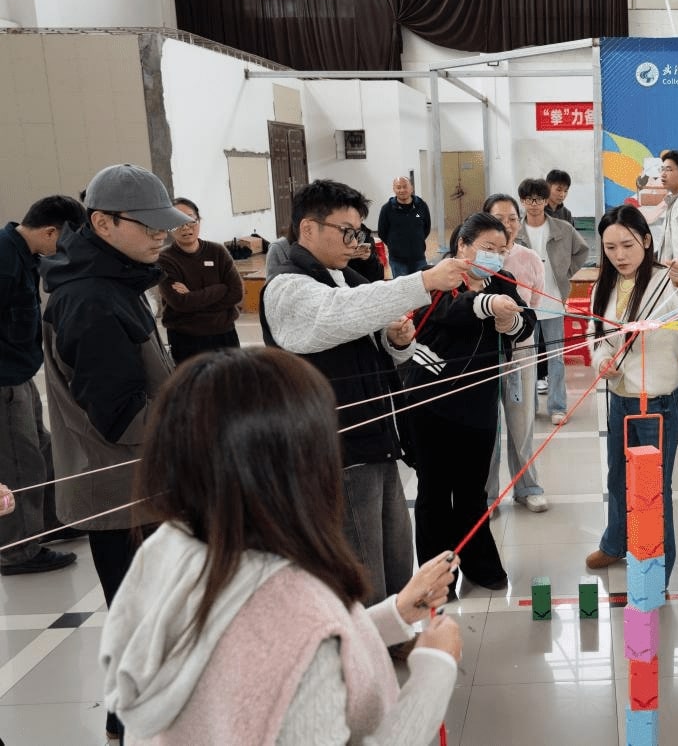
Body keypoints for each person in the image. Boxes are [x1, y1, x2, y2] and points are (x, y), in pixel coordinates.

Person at [100, 347, 462, 744]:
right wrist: (434, 670)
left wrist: (395, 613)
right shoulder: (294, 612)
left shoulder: (166, 549)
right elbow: (295, 645)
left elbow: (260, 651)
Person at [261, 179, 469, 606]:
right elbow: (335, 315)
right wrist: (424, 280)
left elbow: (368, 340)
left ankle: (398, 632)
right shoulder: (286, 287)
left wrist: (395, 341)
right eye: (346, 231)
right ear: (308, 229)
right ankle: (372, 643)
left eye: (359, 232)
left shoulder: (343, 276)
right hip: (336, 451)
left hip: (375, 441)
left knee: (395, 562)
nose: (355, 242)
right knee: (363, 574)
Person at [40, 164, 192, 740]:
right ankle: (133, 724)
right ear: (102, 223)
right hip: (121, 490)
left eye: (165, 224)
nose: (162, 236)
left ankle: (133, 718)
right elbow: (123, 417)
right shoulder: (91, 300)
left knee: (151, 615)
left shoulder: (113, 281)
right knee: (142, 618)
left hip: (140, 482)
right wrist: (206, 416)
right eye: (149, 226)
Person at [401, 213, 534, 593]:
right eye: (488, 248)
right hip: (431, 404)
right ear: (462, 244)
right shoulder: (436, 278)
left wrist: (510, 324)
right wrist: (486, 305)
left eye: (502, 250)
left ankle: (478, 564)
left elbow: (526, 321)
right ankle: (436, 579)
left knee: (473, 493)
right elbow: (444, 311)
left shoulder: (503, 281)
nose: (496, 256)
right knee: (434, 493)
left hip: (479, 407)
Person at [586, 205, 678, 582]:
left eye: (627, 245)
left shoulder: (667, 280)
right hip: (620, 398)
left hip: (657, 404)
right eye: (610, 247)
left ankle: (654, 573)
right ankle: (615, 543)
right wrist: (602, 360)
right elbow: (595, 336)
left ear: (646, 241)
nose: (619, 255)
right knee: (617, 477)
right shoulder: (601, 286)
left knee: (651, 491)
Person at [1, 195, 86, 576]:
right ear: (51, 232)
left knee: (42, 448)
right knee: (20, 464)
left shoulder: (22, 253)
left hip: (20, 373)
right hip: (4, 380)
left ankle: (52, 521)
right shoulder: (4, 260)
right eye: (65, 240)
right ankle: (17, 551)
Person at [482, 195, 549, 513]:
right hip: (483, 357)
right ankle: (487, 494)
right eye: (499, 218)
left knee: (522, 424)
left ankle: (527, 487)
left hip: (521, 351)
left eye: (512, 218)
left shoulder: (530, 259)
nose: (507, 225)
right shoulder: (476, 260)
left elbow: (534, 306)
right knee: (487, 426)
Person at [518, 177, 589, 426]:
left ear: (545, 200)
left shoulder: (562, 228)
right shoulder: (515, 231)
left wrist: (565, 273)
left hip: (553, 302)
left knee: (556, 358)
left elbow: (582, 251)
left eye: (538, 199)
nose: (534, 204)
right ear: (522, 201)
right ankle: (529, 408)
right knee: (526, 359)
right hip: (525, 305)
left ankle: (558, 406)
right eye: (529, 199)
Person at [156, 198, 243, 364]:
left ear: (198, 220)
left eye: (190, 220)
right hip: (186, 339)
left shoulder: (217, 251)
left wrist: (193, 297)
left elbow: (236, 293)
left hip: (224, 334)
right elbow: (180, 302)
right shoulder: (164, 259)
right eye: (177, 221)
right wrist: (220, 289)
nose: (185, 227)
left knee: (232, 379)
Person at [378, 176, 431, 277]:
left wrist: (417, 242)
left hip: (419, 258)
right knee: (402, 286)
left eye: (405, 186)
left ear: (411, 188)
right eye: (398, 187)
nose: (402, 190)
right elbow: (382, 232)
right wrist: (394, 245)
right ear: (394, 189)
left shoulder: (422, 205)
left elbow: (426, 228)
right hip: (397, 260)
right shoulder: (387, 209)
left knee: (421, 285)